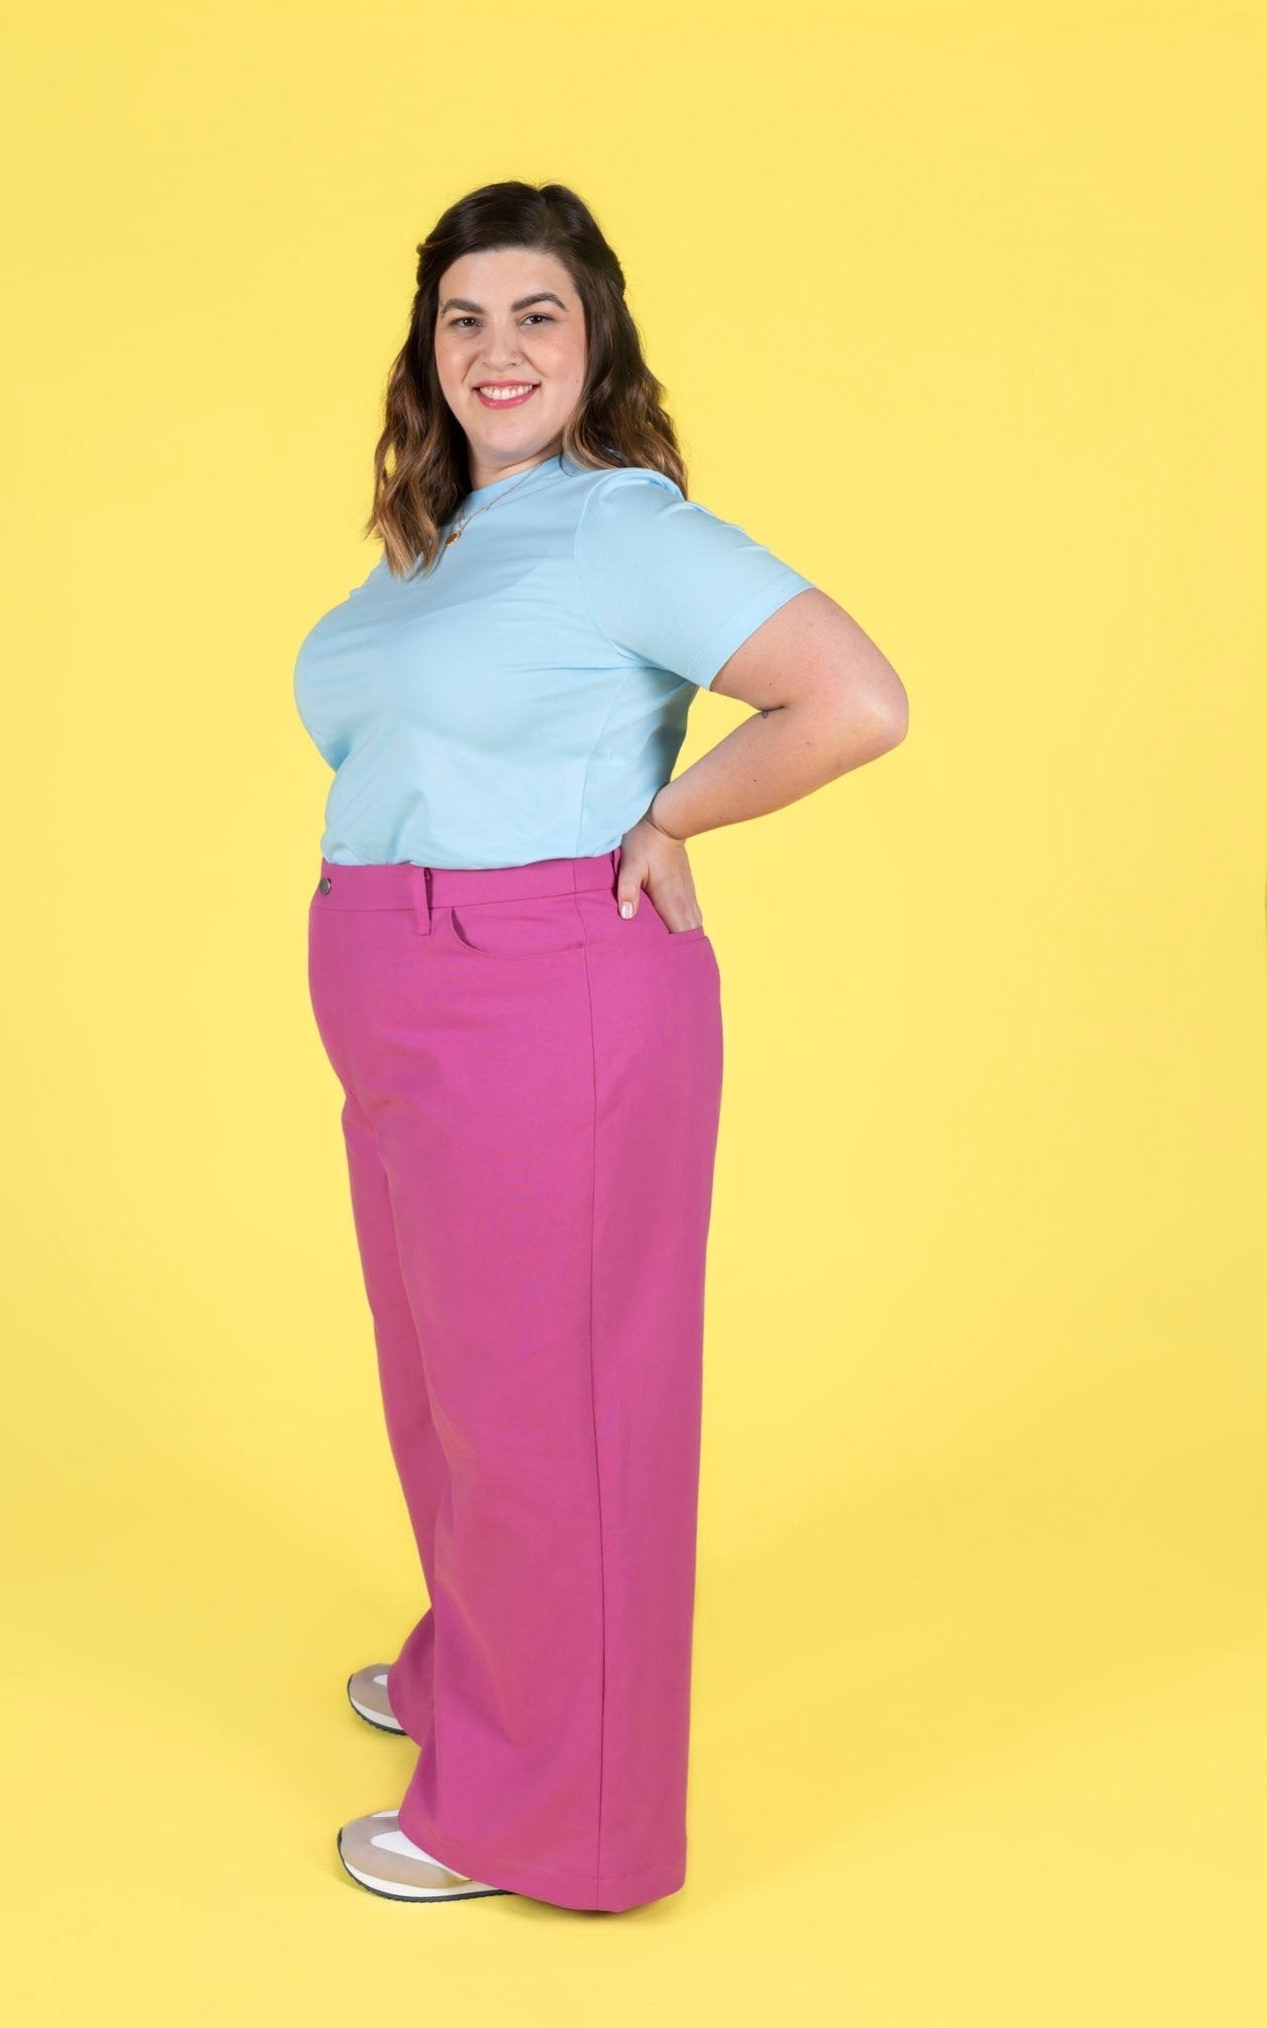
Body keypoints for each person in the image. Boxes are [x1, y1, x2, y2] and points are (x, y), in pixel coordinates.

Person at [292, 179, 908, 1913]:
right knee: (447, 1385)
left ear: (596, 340)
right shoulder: (446, 542)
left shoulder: (613, 523)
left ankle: (556, 1818)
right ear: (429, 349)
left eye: (537, 316)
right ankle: (482, 1675)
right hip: (405, 991)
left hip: (540, 989)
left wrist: (674, 815)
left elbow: (855, 697)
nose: (498, 349)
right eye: (465, 318)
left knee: (550, 1405)